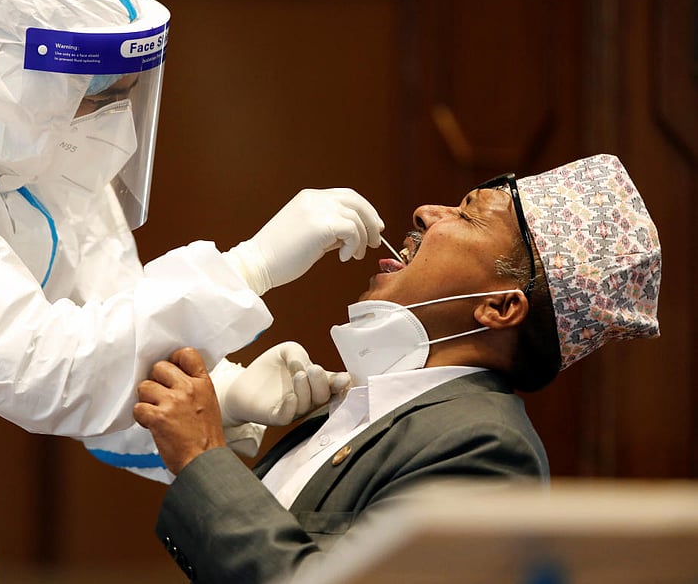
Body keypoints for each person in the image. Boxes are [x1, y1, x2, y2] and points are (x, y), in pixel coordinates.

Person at [0, 0, 385, 582]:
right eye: (92, 94)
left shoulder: (28, 134)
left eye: (123, 95)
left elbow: (109, 314)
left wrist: (221, 395)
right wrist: (250, 266)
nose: (106, 121)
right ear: (5, 71)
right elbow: (42, 365)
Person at [134, 154, 662, 583]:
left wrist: (206, 456)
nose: (426, 213)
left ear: (500, 308)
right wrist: (228, 402)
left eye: (468, 215)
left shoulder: (488, 448)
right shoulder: (369, 411)